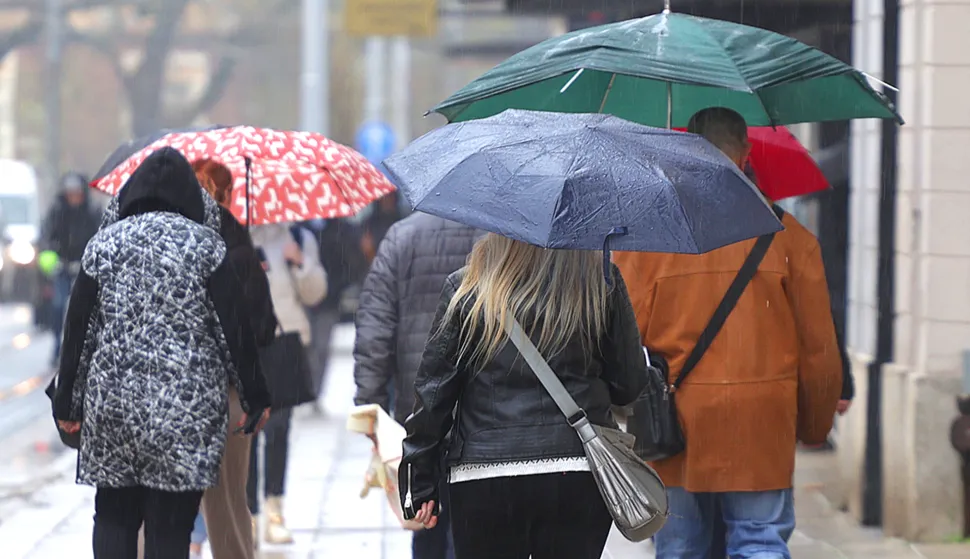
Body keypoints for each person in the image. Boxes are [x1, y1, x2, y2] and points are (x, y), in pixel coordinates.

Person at [614, 107, 843, 559]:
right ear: (745, 155)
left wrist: (621, 414)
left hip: (674, 424)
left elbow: (623, 338)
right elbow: (818, 348)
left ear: (687, 155)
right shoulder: (790, 238)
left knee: (679, 548)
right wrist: (816, 423)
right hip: (761, 422)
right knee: (759, 541)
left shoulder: (647, 240)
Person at [52, 147, 271, 559]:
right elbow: (234, 333)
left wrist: (67, 402)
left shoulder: (102, 248)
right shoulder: (207, 248)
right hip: (185, 413)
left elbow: (78, 332)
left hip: (113, 408)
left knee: (114, 516)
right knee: (170, 528)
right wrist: (256, 396)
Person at [398, 233, 649, 559]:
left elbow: (434, 394)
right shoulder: (599, 282)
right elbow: (628, 385)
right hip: (575, 467)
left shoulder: (469, 289)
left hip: (485, 471)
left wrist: (420, 477)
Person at [353, 212, 481, 559]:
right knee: (474, 520)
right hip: (482, 408)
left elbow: (375, 327)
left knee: (425, 513)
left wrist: (371, 403)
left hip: (418, 408)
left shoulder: (401, 237)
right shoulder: (495, 237)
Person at [191, 159, 277, 559]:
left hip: (176, 383)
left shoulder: (174, 240)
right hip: (229, 390)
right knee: (227, 502)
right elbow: (259, 329)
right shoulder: (238, 249)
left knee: (158, 504)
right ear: (228, 194)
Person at [247, 220, 327, 544]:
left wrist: (300, 263)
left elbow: (316, 293)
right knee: (247, 432)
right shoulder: (235, 235)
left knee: (279, 430)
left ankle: (275, 510)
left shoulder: (298, 237)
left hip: (285, 343)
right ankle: (249, 514)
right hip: (247, 347)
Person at [306, 217, 367, 411]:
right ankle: (307, 389)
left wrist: (338, 286)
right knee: (307, 347)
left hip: (329, 299)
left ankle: (314, 391)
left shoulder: (341, 229)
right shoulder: (302, 229)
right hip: (305, 298)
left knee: (321, 347)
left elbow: (350, 262)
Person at [41, 171, 102, 365]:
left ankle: (79, 348)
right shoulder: (57, 211)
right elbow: (46, 239)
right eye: (70, 193)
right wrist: (53, 260)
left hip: (84, 268)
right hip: (62, 267)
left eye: (77, 193)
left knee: (83, 309)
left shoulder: (92, 212)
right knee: (59, 306)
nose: (73, 197)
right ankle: (57, 346)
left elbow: (99, 236)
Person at [361, 191, 403, 263]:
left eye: (391, 196)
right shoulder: (369, 224)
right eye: (385, 197)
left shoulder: (401, 221)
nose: (388, 200)